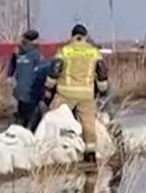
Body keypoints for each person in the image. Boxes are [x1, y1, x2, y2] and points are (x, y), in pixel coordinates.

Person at [46, 24, 108, 164]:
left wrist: (48, 89)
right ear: (85, 36)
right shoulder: (93, 52)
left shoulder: (65, 50)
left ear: (72, 35)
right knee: (88, 125)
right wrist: (103, 90)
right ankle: (90, 153)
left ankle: (57, 151)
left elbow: (55, 70)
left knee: (56, 120)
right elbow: (102, 72)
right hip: (86, 94)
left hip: (65, 93)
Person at [7, 29, 44, 129]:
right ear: (34, 40)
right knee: (33, 120)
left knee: (22, 115)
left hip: (19, 91)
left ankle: (20, 130)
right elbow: (41, 71)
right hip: (31, 91)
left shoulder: (17, 52)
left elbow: (11, 71)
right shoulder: (36, 54)